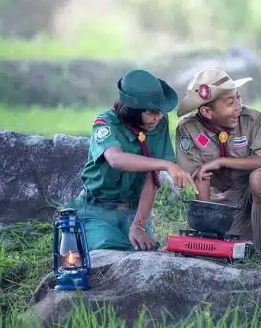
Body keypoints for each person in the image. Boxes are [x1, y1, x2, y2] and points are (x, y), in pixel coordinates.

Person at [69, 69, 197, 252]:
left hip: (133, 212)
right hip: (97, 211)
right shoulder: (105, 123)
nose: (158, 117)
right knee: (108, 250)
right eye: (152, 112)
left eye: (160, 112)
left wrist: (138, 225)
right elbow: (116, 159)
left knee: (147, 252)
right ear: (133, 111)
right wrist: (166, 164)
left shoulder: (158, 123)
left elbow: (151, 180)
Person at [174, 69, 261, 252]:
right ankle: (210, 233)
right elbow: (197, 177)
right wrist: (205, 232)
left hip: (250, 195)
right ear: (207, 111)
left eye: (238, 97)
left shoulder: (252, 119)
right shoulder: (188, 128)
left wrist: (223, 162)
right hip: (219, 203)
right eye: (231, 102)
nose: (238, 105)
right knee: (222, 245)